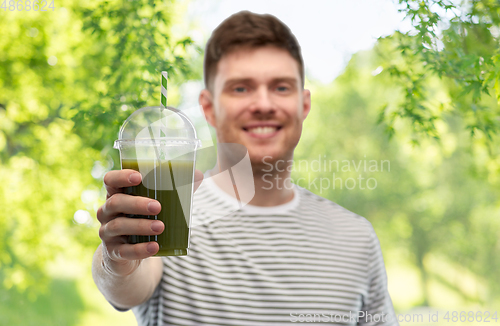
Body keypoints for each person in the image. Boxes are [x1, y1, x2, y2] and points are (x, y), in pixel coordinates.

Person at [92, 11, 398, 325]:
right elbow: (125, 288)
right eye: (241, 88)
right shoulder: (170, 212)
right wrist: (116, 259)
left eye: (281, 87)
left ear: (303, 105)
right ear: (209, 108)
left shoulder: (357, 237)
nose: (263, 104)